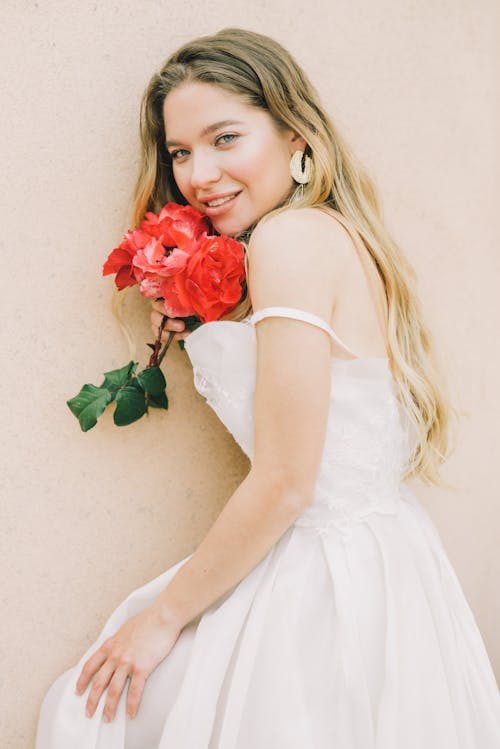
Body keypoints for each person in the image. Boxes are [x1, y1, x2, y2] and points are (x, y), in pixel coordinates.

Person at [36, 27, 500, 748]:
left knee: (91, 712)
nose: (199, 175)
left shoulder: (292, 242)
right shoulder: (325, 236)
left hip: (324, 570)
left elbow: (287, 480)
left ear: (295, 136)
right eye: (180, 152)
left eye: (225, 138)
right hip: (383, 557)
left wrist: (161, 621)